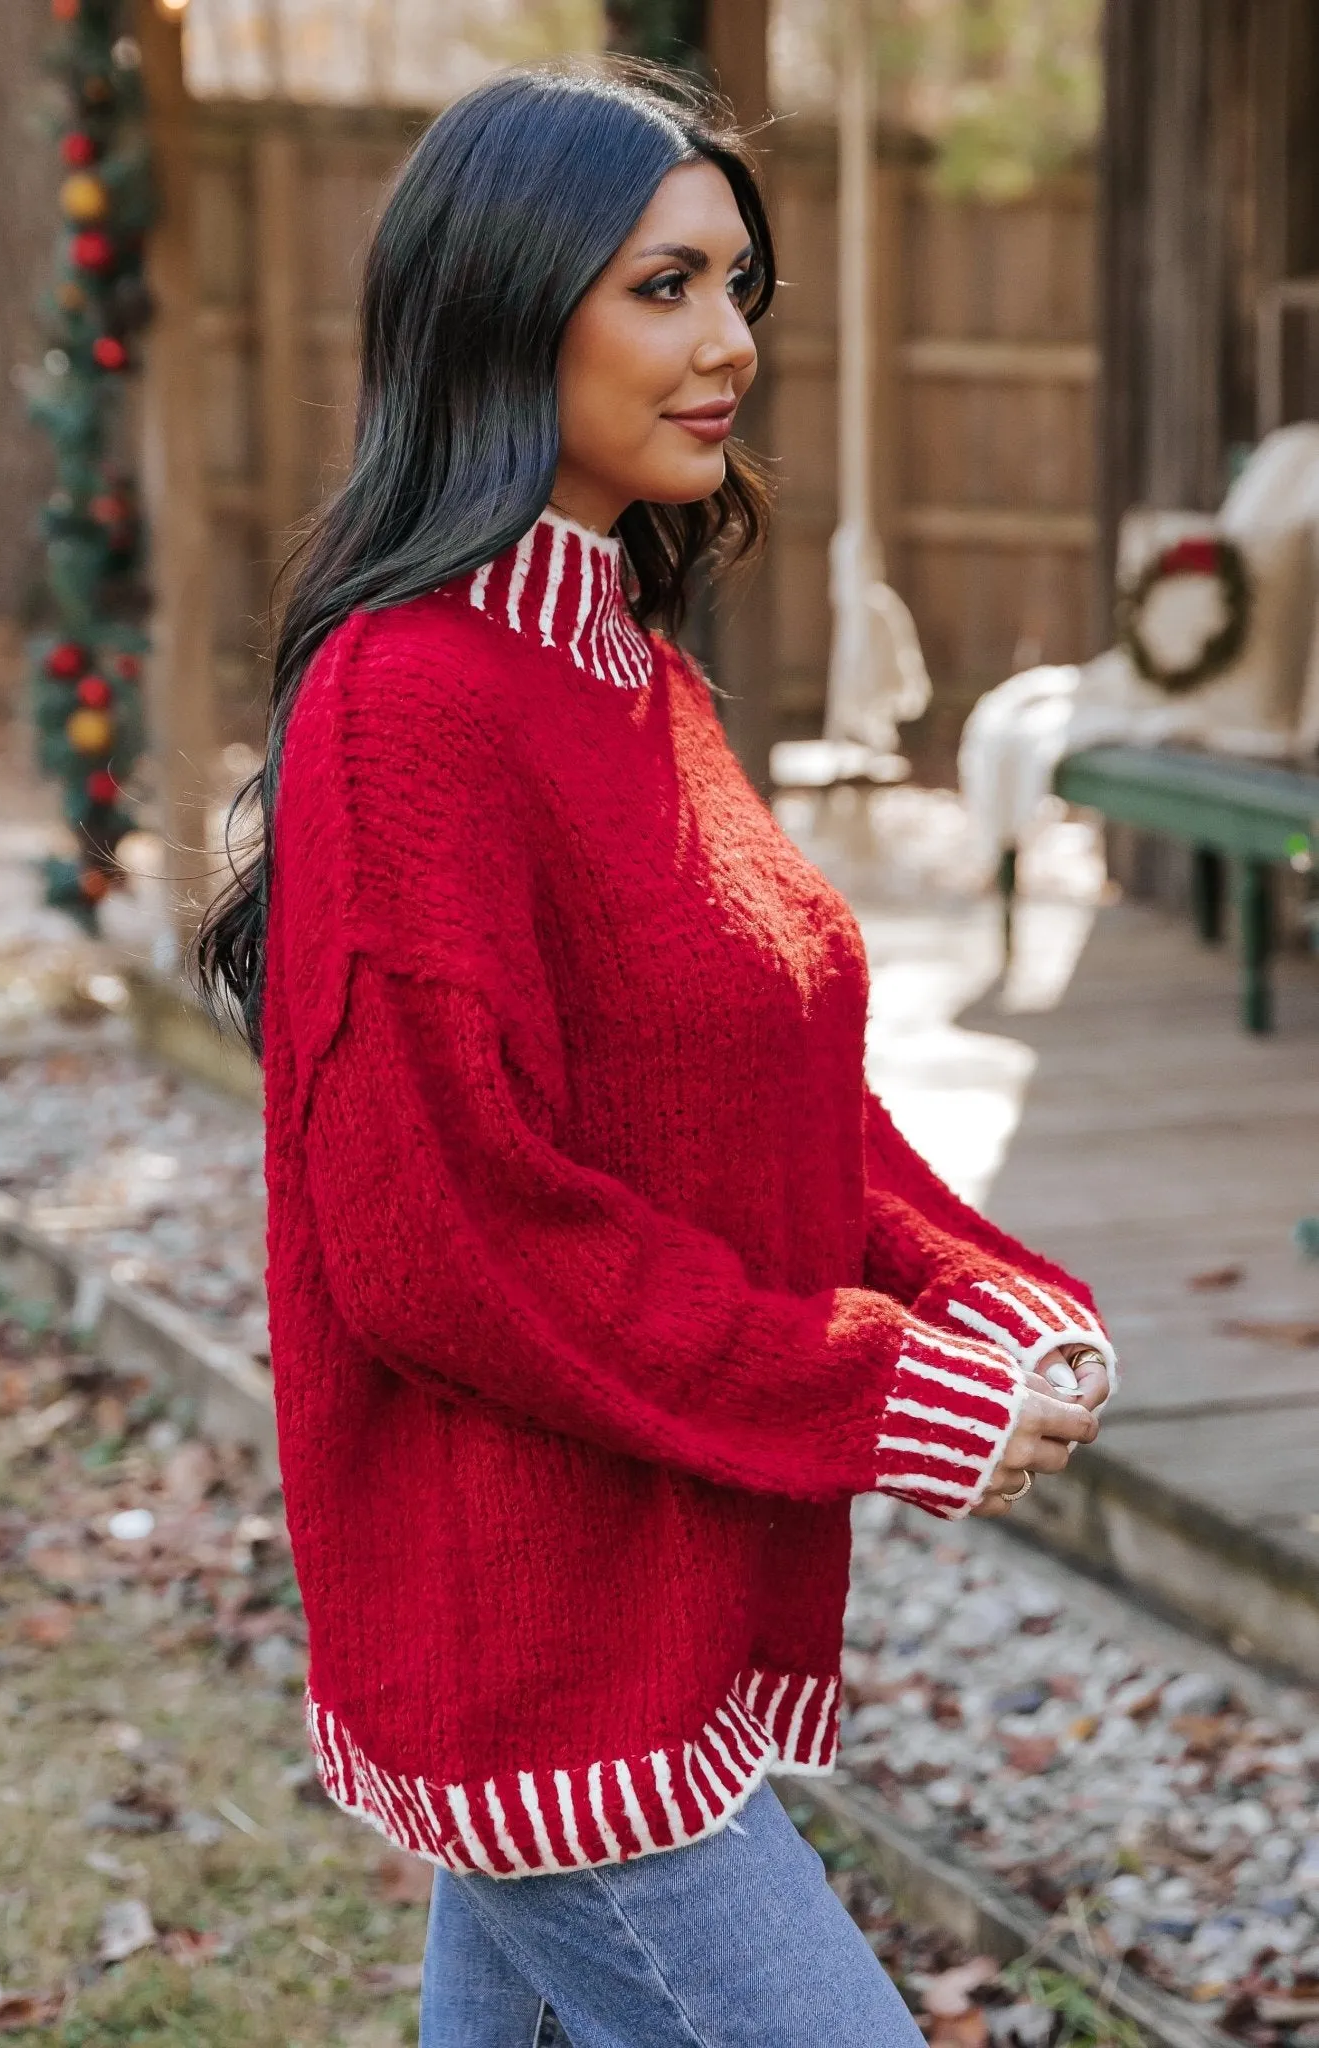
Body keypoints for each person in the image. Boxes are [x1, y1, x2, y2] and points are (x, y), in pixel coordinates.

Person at [196, 60, 1115, 2047]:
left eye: (737, 288)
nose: (730, 348)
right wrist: (885, 1386)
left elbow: (785, 1104)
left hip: (643, 1614)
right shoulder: (412, 703)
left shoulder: (634, 674)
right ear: (508, 306)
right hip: (547, 1659)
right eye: (666, 288)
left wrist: (993, 1296)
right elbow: (450, 1239)